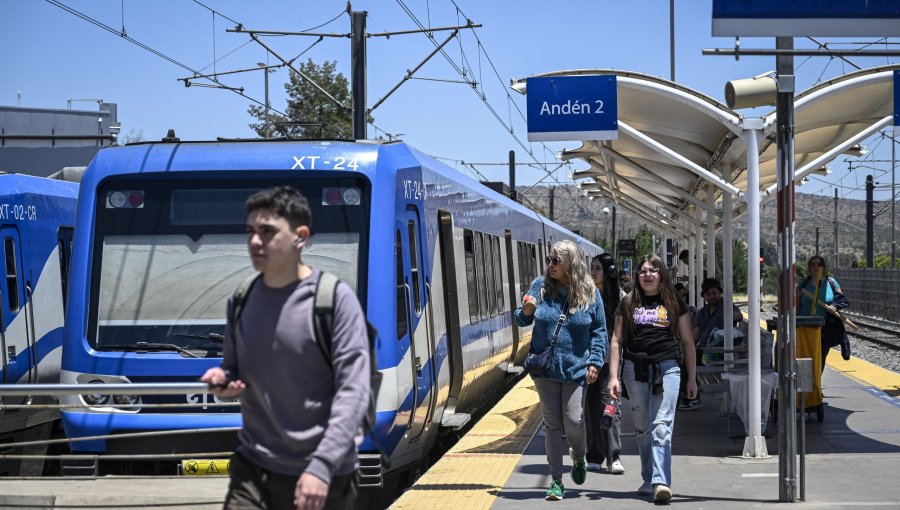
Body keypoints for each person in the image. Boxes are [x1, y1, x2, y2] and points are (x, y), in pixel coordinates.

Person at [201, 186, 370, 510]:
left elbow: (354, 392)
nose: (254, 241)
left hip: (325, 472)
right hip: (254, 466)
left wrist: (321, 467)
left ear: (300, 237)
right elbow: (233, 367)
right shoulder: (241, 299)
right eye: (250, 231)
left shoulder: (333, 301)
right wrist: (223, 379)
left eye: (267, 232)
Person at [515, 240, 608, 501]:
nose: (550, 265)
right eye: (549, 259)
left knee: (575, 419)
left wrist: (595, 362)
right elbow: (521, 318)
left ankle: (578, 457)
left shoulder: (590, 293)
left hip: (576, 368)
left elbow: (600, 331)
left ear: (571, 263)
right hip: (544, 368)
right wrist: (526, 310)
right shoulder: (540, 286)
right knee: (552, 424)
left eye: (556, 260)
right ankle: (556, 480)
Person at [607, 254, 697, 504]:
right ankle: (649, 477)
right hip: (635, 370)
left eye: (653, 270)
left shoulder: (673, 301)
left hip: (667, 367)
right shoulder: (628, 303)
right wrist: (613, 376)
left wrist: (692, 379)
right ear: (637, 276)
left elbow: (688, 341)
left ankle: (660, 482)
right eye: (643, 271)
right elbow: (616, 340)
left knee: (661, 427)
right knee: (642, 429)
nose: (648, 275)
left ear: (662, 275)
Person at [585, 253, 625, 475]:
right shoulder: (586, 295)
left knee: (610, 406)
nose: (593, 272)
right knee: (590, 408)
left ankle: (614, 455)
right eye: (591, 268)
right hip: (589, 360)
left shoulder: (620, 297)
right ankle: (594, 454)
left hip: (610, 360)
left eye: (598, 268)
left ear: (609, 272)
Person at [678, 277, 743, 411]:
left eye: (714, 293)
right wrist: (686, 349)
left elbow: (739, 316)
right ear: (705, 296)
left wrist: (731, 314)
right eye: (708, 294)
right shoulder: (702, 312)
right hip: (705, 350)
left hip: (720, 352)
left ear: (719, 293)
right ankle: (686, 395)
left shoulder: (727, 306)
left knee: (689, 361)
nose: (712, 296)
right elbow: (695, 334)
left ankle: (691, 397)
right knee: (683, 358)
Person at [796, 255, 849, 373]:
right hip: (805, 326)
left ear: (823, 267)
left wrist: (834, 306)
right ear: (809, 267)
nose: (816, 267)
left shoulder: (831, 282)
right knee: (807, 357)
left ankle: (816, 385)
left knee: (820, 357)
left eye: (819, 264)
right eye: (813, 264)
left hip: (825, 327)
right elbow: (797, 305)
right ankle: (808, 386)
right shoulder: (804, 284)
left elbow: (841, 300)